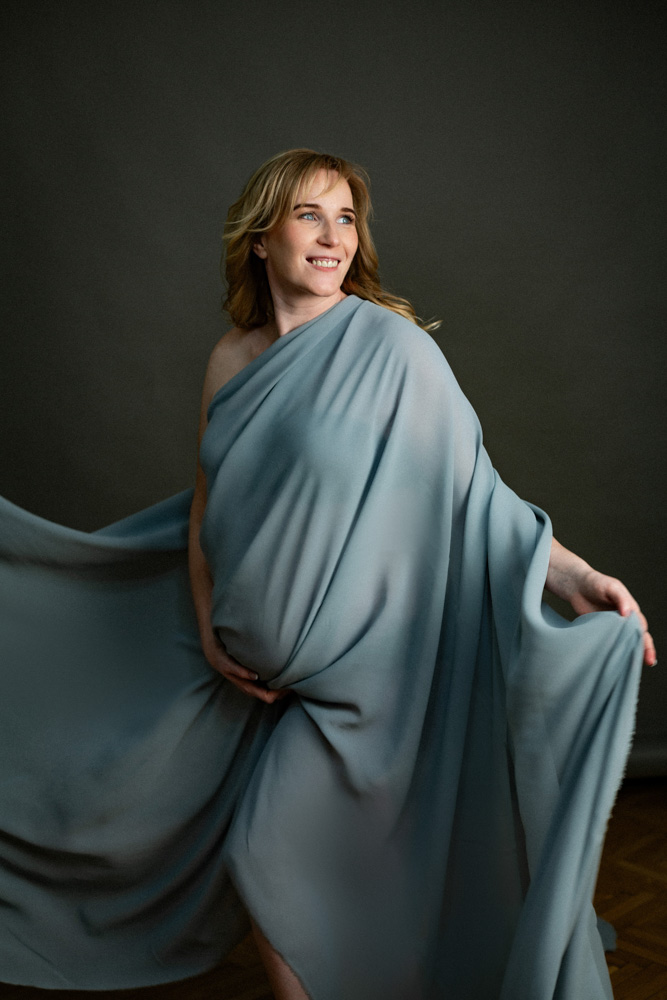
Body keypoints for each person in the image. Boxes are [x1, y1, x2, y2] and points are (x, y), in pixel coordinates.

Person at [186, 148, 655, 999]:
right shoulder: (231, 358)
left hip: (377, 680)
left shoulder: (391, 349)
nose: (332, 237)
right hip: (271, 685)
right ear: (259, 237)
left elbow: (473, 494)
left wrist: (574, 576)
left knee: (265, 849)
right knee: (274, 862)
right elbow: (206, 507)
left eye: (345, 218)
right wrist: (207, 620)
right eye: (308, 215)